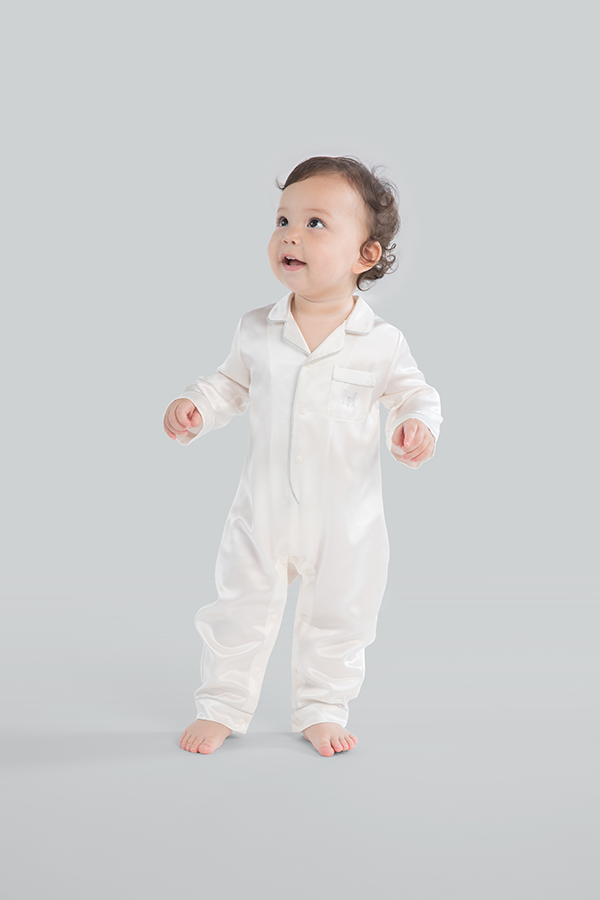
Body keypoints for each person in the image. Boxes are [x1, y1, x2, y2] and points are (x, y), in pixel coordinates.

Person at [163, 156, 443, 757]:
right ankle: (222, 703)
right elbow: (228, 387)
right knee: (239, 606)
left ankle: (322, 707)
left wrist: (416, 425)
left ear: (365, 255)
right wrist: (196, 406)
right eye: (283, 219)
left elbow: (413, 393)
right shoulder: (256, 330)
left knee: (340, 616)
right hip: (262, 509)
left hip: (347, 520)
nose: (291, 234)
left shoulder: (381, 343)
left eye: (316, 223)